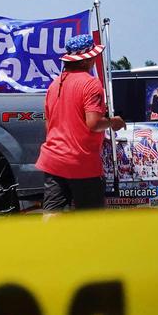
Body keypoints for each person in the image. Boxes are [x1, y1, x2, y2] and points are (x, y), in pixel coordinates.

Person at [36, 34, 126, 212]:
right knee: (91, 221)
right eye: (94, 56)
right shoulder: (91, 84)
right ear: (86, 60)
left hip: (53, 159)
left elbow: (50, 125)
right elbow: (93, 123)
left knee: (53, 214)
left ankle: (46, 241)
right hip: (81, 163)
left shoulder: (54, 85)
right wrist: (113, 122)